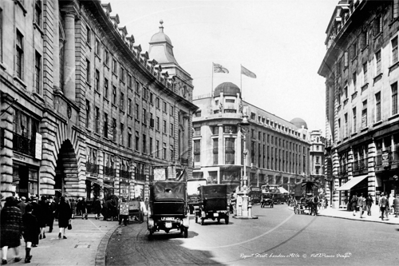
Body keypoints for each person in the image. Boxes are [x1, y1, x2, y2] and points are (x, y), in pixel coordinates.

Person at [1, 196, 23, 264]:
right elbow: (20, 221)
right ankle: (16, 256)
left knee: (4, 244)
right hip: (15, 229)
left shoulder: (4, 209)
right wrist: (21, 230)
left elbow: (1, 220)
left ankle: (4, 258)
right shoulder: (17, 210)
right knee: (16, 244)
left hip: (5, 229)